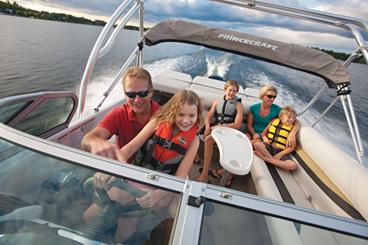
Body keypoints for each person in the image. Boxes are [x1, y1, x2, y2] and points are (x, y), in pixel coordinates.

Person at [85, 90, 204, 242]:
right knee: (89, 217)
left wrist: (157, 195)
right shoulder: (157, 122)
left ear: (197, 114)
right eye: (181, 114)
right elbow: (131, 147)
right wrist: (110, 168)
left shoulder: (194, 141)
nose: (186, 120)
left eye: (191, 116)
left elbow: (180, 177)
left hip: (164, 186)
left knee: (124, 228)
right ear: (173, 111)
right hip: (139, 176)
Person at [81, 66, 160, 160]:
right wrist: (95, 142)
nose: (137, 100)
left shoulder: (164, 115)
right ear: (125, 94)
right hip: (123, 167)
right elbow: (87, 139)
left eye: (142, 93)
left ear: (151, 92)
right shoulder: (119, 114)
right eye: (131, 94)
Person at [197, 80, 243, 185]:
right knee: (204, 137)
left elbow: (237, 125)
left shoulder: (238, 105)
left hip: (230, 131)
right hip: (217, 130)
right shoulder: (217, 101)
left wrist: (221, 126)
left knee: (208, 139)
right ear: (225, 89)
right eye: (230, 90)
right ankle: (204, 174)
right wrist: (208, 127)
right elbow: (208, 117)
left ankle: (207, 174)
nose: (232, 93)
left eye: (234, 91)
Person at [253, 106, 298, 170]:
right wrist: (264, 137)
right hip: (268, 147)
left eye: (293, 118)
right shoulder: (274, 121)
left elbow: (292, 147)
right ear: (281, 116)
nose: (291, 119)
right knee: (257, 144)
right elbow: (263, 133)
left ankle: (266, 159)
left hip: (280, 151)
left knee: (293, 165)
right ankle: (275, 162)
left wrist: (280, 154)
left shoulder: (292, 130)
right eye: (289, 117)